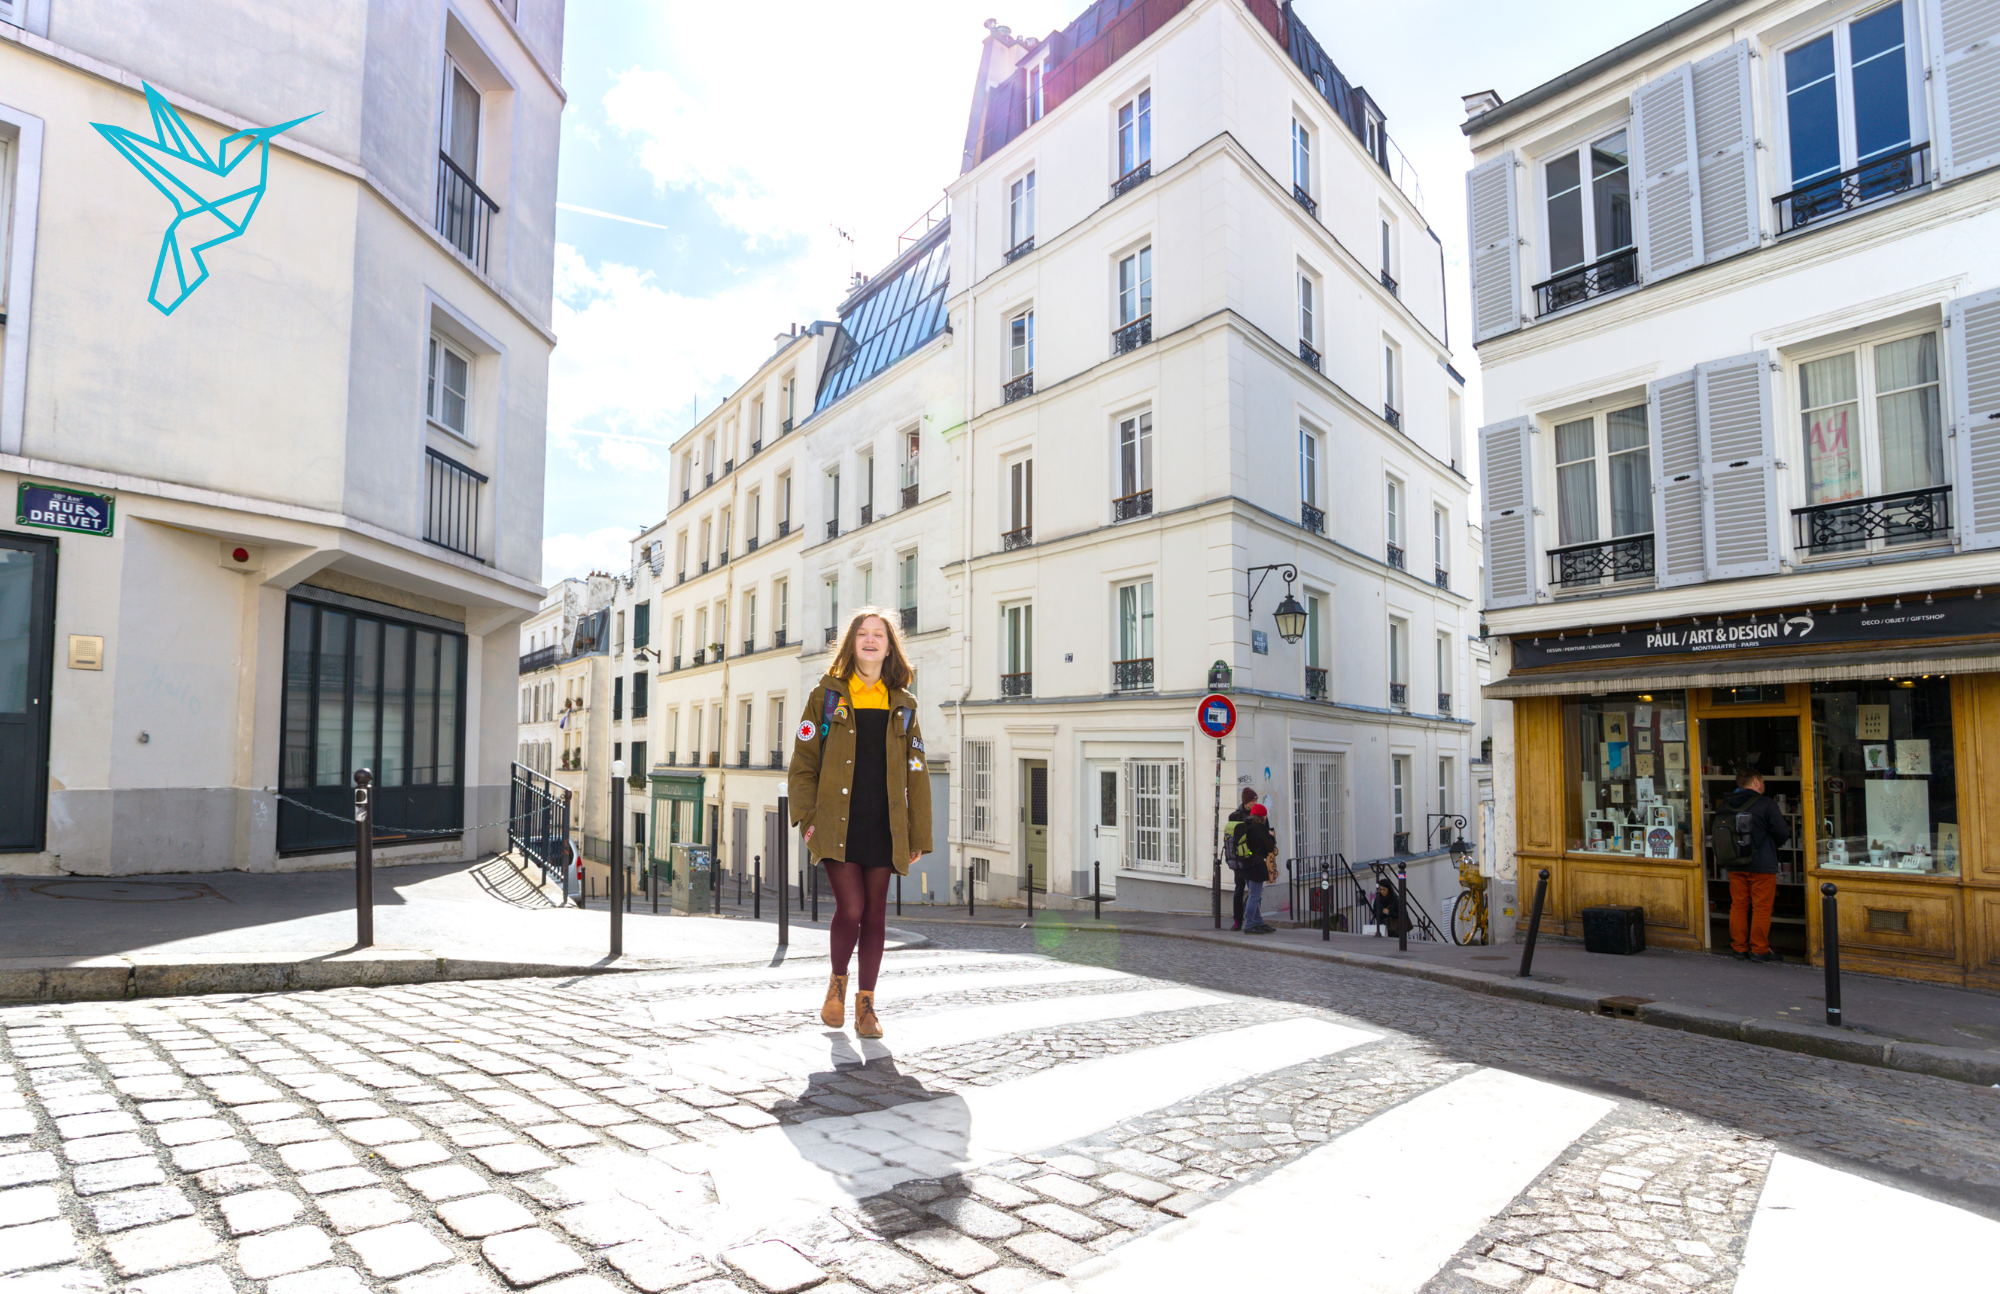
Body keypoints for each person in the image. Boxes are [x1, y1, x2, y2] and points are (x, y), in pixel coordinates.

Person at [788, 609, 932, 1038]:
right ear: (851, 643)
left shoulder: (903, 704)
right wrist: (807, 820)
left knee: (875, 916)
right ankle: (836, 985)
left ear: (890, 647)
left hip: (885, 825)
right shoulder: (827, 697)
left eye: (879, 635)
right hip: (836, 824)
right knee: (850, 908)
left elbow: (917, 771)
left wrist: (918, 833)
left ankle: (866, 1006)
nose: (870, 641)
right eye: (863, 634)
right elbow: (802, 764)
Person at [1717, 766, 1791, 963]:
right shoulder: (1766, 804)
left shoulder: (1725, 805)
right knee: (1761, 907)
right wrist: (1771, 844)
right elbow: (1782, 832)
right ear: (1756, 782)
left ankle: (1739, 948)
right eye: (1763, 782)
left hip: (1734, 863)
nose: (1764, 785)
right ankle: (1759, 949)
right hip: (1762, 864)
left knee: (1738, 906)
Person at [1238, 803, 1278, 934]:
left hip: (1245, 864)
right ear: (1262, 816)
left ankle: (1259, 923)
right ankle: (1249, 925)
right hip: (1256, 865)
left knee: (1253, 895)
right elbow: (1270, 847)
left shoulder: (1246, 826)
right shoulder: (1259, 828)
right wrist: (1271, 835)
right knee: (1255, 896)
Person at [1225, 788, 1258, 929]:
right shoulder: (1235, 816)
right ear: (1245, 802)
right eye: (1252, 801)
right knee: (1239, 890)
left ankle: (1254, 921)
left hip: (1252, 858)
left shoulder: (1258, 814)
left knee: (1255, 892)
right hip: (1240, 859)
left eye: (1256, 800)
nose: (1255, 802)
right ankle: (1237, 920)